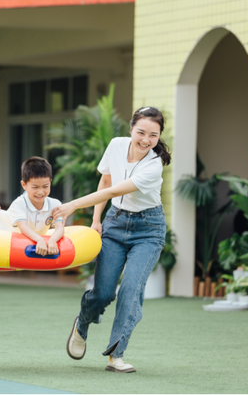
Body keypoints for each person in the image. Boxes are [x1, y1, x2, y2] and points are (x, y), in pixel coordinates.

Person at [54, 106, 171, 374]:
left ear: (159, 136)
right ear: (130, 129)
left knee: (131, 289)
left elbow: (119, 188)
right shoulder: (116, 145)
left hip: (148, 229)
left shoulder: (154, 165)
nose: (145, 139)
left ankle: (116, 355)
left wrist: (72, 205)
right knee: (103, 292)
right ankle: (82, 324)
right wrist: (96, 221)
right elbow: (106, 181)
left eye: (153, 135)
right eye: (140, 132)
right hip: (115, 224)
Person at [0, 156, 64, 255]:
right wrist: (40, 240)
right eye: (35, 187)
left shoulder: (55, 204)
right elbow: (23, 227)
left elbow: (60, 227)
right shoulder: (19, 203)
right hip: (2, 233)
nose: (40, 192)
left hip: (27, 240)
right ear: (24, 185)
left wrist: (53, 240)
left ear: (50, 182)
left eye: (45, 186)